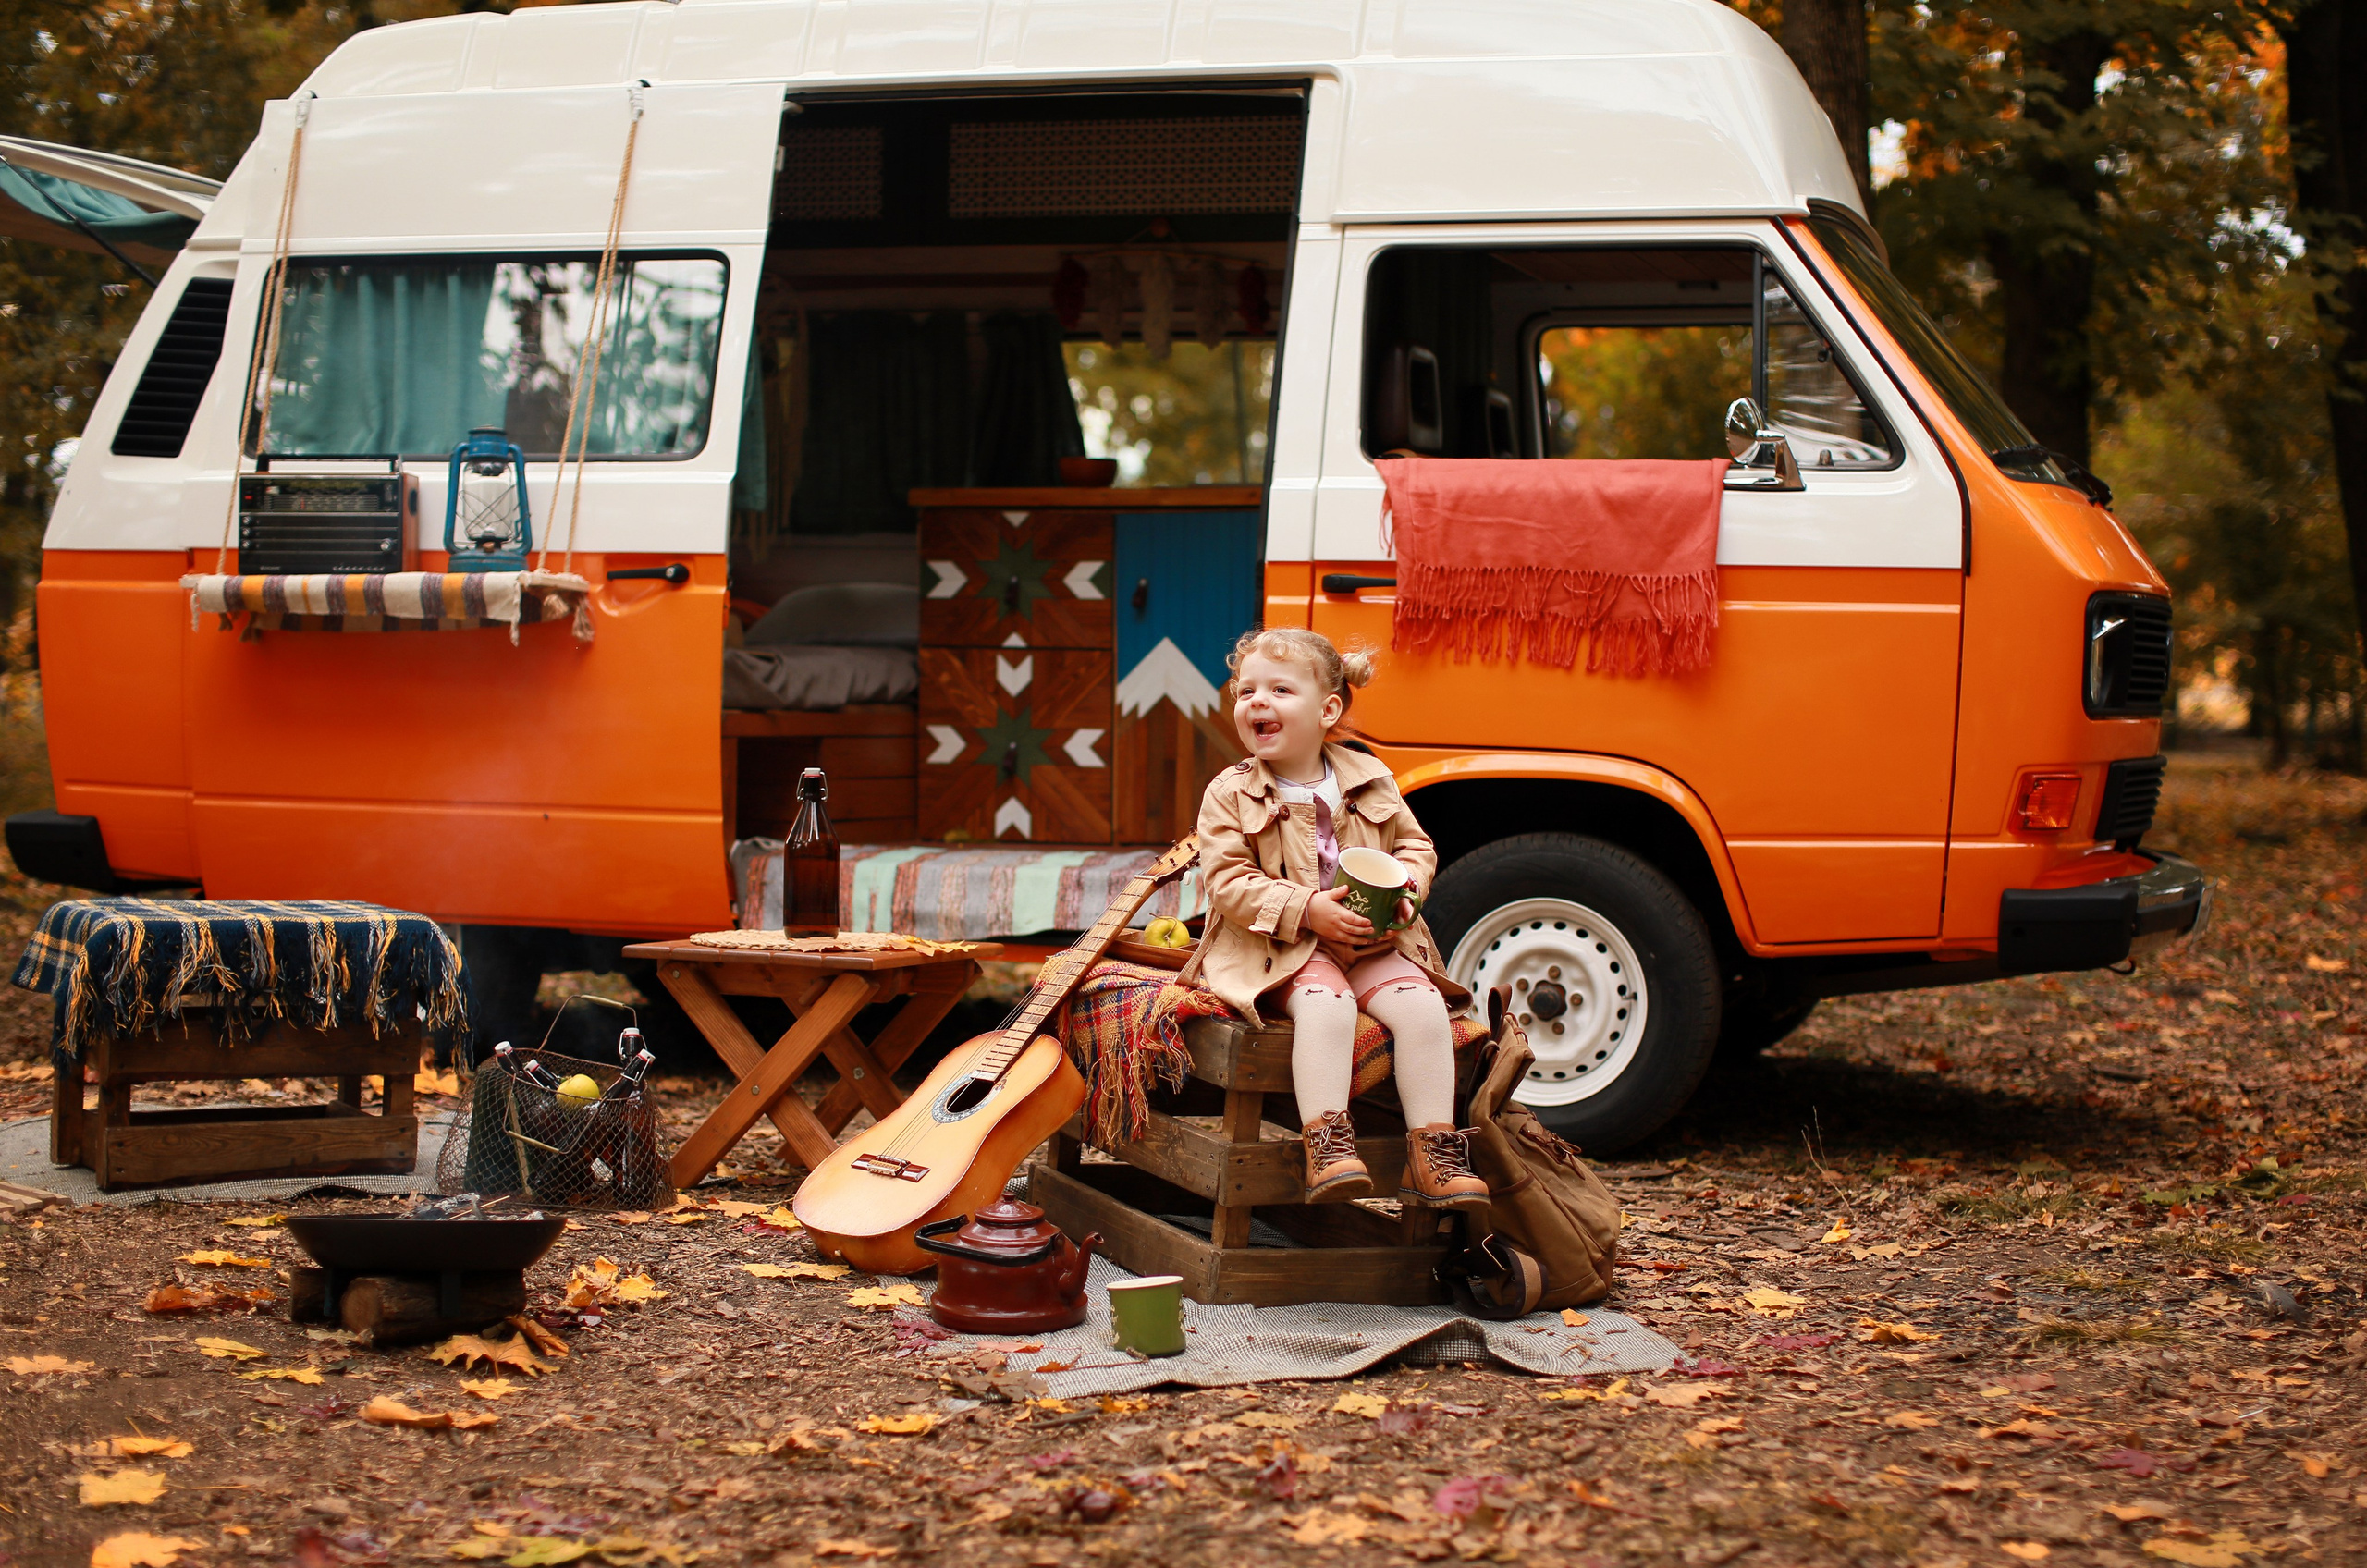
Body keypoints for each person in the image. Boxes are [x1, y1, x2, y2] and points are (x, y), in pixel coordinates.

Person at [1187, 626, 1488, 1208]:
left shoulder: (1369, 777)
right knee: (1330, 1007)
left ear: (1328, 709)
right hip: (1283, 948)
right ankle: (1326, 1144)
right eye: (1246, 691)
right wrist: (1305, 908)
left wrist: (1407, 891)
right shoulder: (1230, 794)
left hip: (1372, 942)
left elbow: (1414, 847)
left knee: (1425, 1009)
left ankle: (1433, 1155)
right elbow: (1228, 883)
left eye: (1279, 689)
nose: (1257, 702)